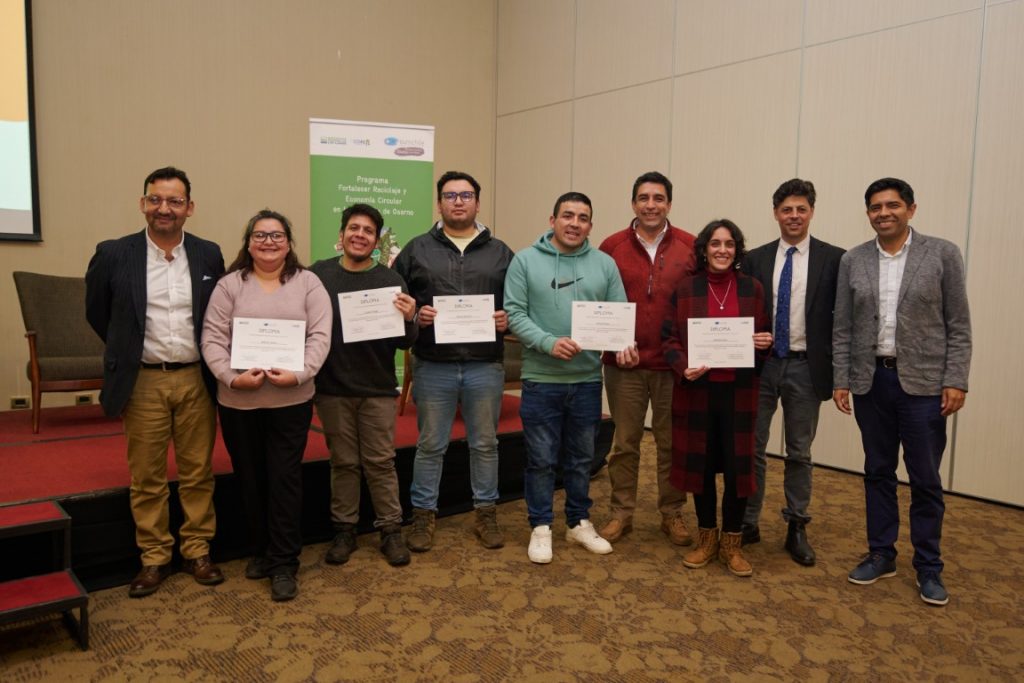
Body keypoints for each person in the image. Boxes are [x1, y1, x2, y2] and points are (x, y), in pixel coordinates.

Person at [86, 166, 226, 598]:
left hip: (196, 379)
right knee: (147, 476)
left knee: (198, 472)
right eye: (156, 199)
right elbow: (98, 313)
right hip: (143, 381)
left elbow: (216, 314)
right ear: (143, 203)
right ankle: (154, 557)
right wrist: (128, 349)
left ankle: (197, 551)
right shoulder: (114, 253)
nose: (164, 208)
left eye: (174, 201)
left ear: (190, 207)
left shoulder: (208, 254)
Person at [833, 178, 971, 606]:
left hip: (925, 386)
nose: (884, 213)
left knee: (925, 478)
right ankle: (882, 553)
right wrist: (841, 378)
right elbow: (843, 326)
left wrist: (956, 379)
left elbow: (958, 324)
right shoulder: (853, 259)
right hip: (871, 382)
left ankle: (929, 566)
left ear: (911, 209)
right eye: (875, 207)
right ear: (868, 214)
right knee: (877, 471)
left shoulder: (942, 253)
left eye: (892, 205)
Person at [201, 209, 331, 601]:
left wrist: (300, 374)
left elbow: (320, 336)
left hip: (291, 400)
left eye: (276, 236)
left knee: (284, 479)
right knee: (251, 478)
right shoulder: (229, 285)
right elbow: (212, 338)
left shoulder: (308, 283)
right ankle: (261, 549)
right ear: (248, 243)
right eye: (260, 235)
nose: (268, 242)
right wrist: (231, 377)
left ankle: (284, 562)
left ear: (289, 244)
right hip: (238, 402)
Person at [504, 191, 639, 564]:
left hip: (586, 380)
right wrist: (548, 343)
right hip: (541, 379)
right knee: (541, 459)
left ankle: (578, 522)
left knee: (581, 459)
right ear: (552, 220)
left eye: (582, 218)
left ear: (590, 225)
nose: (574, 223)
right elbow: (514, 313)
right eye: (567, 215)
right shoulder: (525, 261)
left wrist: (624, 344)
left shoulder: (604, 265)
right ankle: (541, 526)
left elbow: (617, 315)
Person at [393, 171, 514, 553]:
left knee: (485, 444)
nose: (458, 201)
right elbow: (395, 301)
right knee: (430, 445)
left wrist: (508, 319)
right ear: (439, 203)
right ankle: (423, 515)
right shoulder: (416, 250)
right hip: (434, 363)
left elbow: (518, 303)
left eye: (465, 195)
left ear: (477, 202)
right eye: (450, 195)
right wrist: (416, 315)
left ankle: (486, 514)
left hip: (485, 364)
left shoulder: (501, 252)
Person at [740, 179, 844, 566]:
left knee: (799, 451)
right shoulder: (755, 259)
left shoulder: (834, 259)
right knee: (752, 447)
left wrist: (842, 374)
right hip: (762, 367)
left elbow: (842, 321)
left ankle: (796, 525)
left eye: (801, 209)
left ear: (811, 212)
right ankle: (748, 521)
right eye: (787, 210)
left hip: (806, 367)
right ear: (776, 214)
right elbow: (742, 311)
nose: (794, 216)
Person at [661, 219, 772, 577]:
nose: (722, 250)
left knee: (739, 469)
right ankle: (707, 539)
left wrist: (763, 343)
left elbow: (763, 336)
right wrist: (683, 367)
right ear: (704, 249)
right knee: (702, 467)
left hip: (739, 392)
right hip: (698, 391)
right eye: (715, 243)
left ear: (737, 250)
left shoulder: (752, 288)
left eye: (729, 244)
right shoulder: (686, 289)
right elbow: (668, 339)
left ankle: (732, 544)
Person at [311, 203, 417, 569]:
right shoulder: (318, 275)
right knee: (343, 463)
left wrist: (410, 318)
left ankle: (390, 530)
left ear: (376, 240)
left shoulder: (391, 280)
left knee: (380, 462)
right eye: (353, 228)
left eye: (368, 231)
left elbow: (405, 341)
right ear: (341, 235)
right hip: (332, 388)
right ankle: (345, 530)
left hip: (377, 389)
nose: (360, 235)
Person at [597, 171, 696, 547]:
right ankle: (621, 513)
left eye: (658, 198)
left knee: (673, 443)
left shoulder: (690, 246)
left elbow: (700, 300)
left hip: (673, 366)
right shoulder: (611, 246)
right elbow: (598, 302)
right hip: (624, 366)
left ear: (669, 203)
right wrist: (612, 343)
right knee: (625, 443)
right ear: (633, 203)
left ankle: (672, 512)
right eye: (643, 198)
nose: (650, 205)